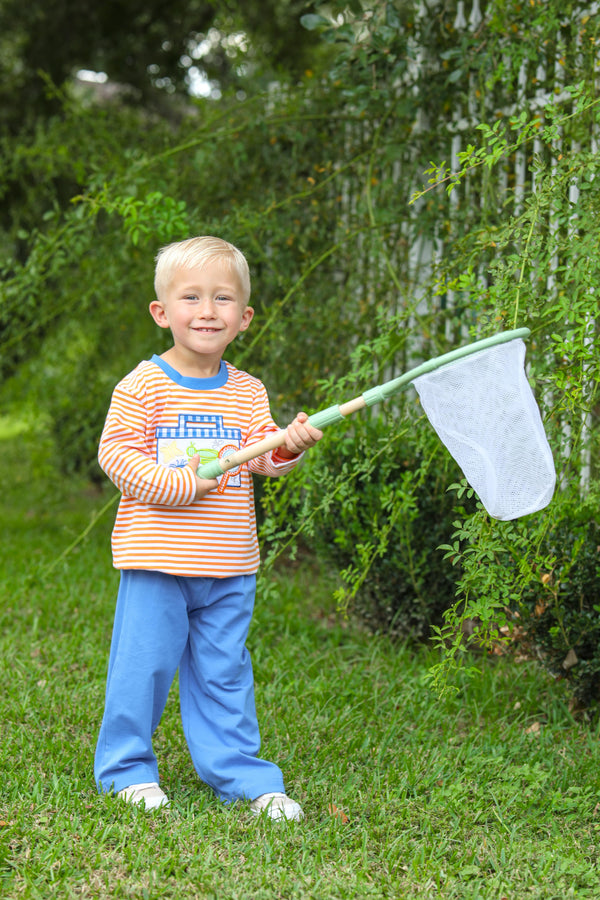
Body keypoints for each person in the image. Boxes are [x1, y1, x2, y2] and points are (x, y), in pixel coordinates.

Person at [94, 235, 323, 821]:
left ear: (243, 318)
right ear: (161, 312)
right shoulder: (142, 386)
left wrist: (288, 446)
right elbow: (116, 455)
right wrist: (174, 485)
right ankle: (125, 769)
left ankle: (242, 777)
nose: (206, 311)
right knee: (142, 668)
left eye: (222, 299)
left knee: (225, 675)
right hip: (157, 562)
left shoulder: (247, 392)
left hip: (228, 564)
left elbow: (261, 458)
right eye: (191, 297)